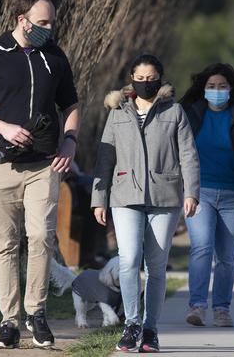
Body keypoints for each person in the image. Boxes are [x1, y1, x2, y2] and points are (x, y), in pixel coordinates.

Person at [0, 0, 79, 349]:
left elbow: (70, 104)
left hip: (44, 165)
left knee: (41, 238)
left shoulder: (54, 55)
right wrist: (3, 128)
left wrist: (70, 141)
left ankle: (36, 314)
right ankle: (8, 322)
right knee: (5, 244)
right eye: (43, 23)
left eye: (52, 22)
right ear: (21, 19)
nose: (50, 29)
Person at [91, 54, 200, 352]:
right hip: (125, 194)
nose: (145, 83)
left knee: (156, 265)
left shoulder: (175, 112)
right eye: (139, 78)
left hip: (165, 197)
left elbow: (188, 154)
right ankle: (131, 324)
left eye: (151, 78)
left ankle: (150, 330)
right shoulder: (117, 113)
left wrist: (191, 192)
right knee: (128, 260)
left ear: (160, 79)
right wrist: (98, 199)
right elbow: (105, 157)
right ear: (131, 80)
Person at [179, 63, 234, 327]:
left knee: (226, 255)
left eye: (222, 87)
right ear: (203, 90)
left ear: (231, 89)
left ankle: (222, 308)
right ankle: (197, 306)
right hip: (199, 192)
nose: (216, 91)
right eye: (211, 87)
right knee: (202, 246)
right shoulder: (191, 115)